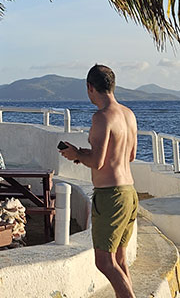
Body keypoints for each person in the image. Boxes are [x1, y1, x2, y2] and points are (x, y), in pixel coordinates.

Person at [59, 64, 138, 298]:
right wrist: (82, 153)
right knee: (120, 259)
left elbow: (98, 162)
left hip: (110, 196)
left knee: (104, 261)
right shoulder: (128, 114)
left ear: (90, 87)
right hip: (129, 193)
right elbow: (130, 155)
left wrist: (77, 155)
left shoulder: (102, 117)